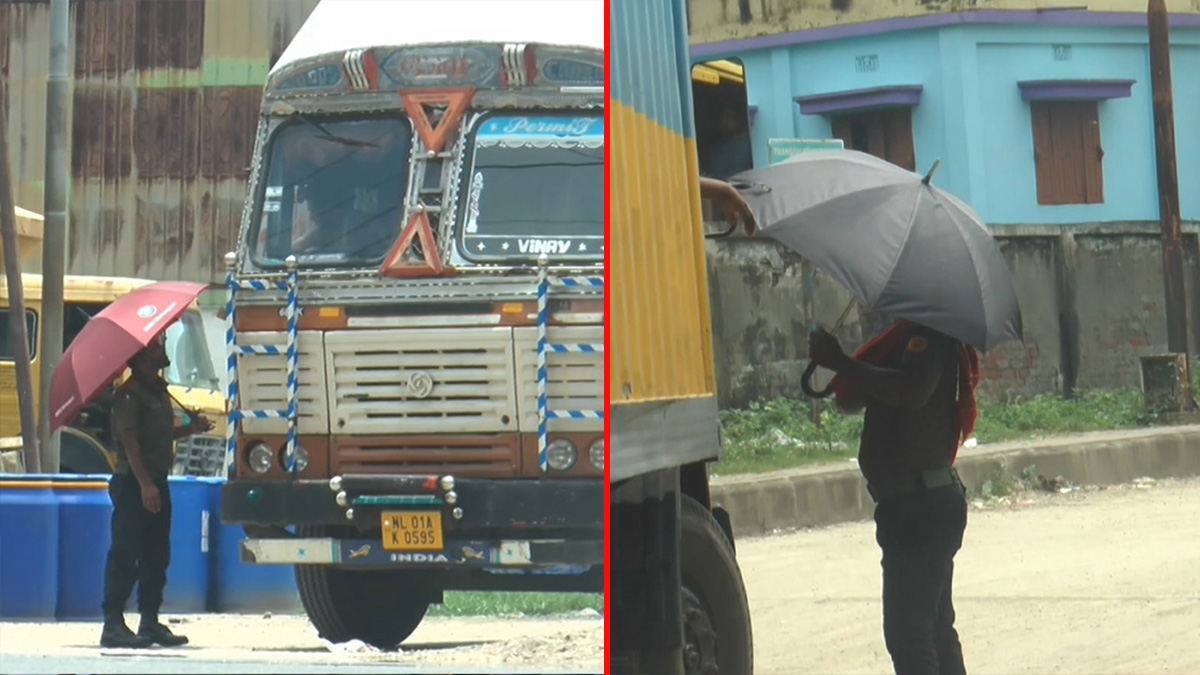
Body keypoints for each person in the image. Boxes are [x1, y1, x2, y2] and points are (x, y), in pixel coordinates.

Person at [807, 318, 981, 675]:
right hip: (919, 502)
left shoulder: (928, 334)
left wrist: (841, 362)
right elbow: (853, 399)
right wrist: (848, 369)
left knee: (910, 634)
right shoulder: (904, 340)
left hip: (920, 505)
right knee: (933, 627)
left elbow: (912, 390)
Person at [99, 335, 213, 649]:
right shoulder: (129, 396)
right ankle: (113, 624)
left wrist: (191, 429)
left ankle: (149, 621)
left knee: (156, 554)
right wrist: (146, 485)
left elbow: (161, 436)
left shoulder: (160, 393)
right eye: (155, 347)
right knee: (125, 552)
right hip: (134, 483)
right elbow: (132, 446)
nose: (162, 350)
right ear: (141, 359)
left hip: (156, 482)